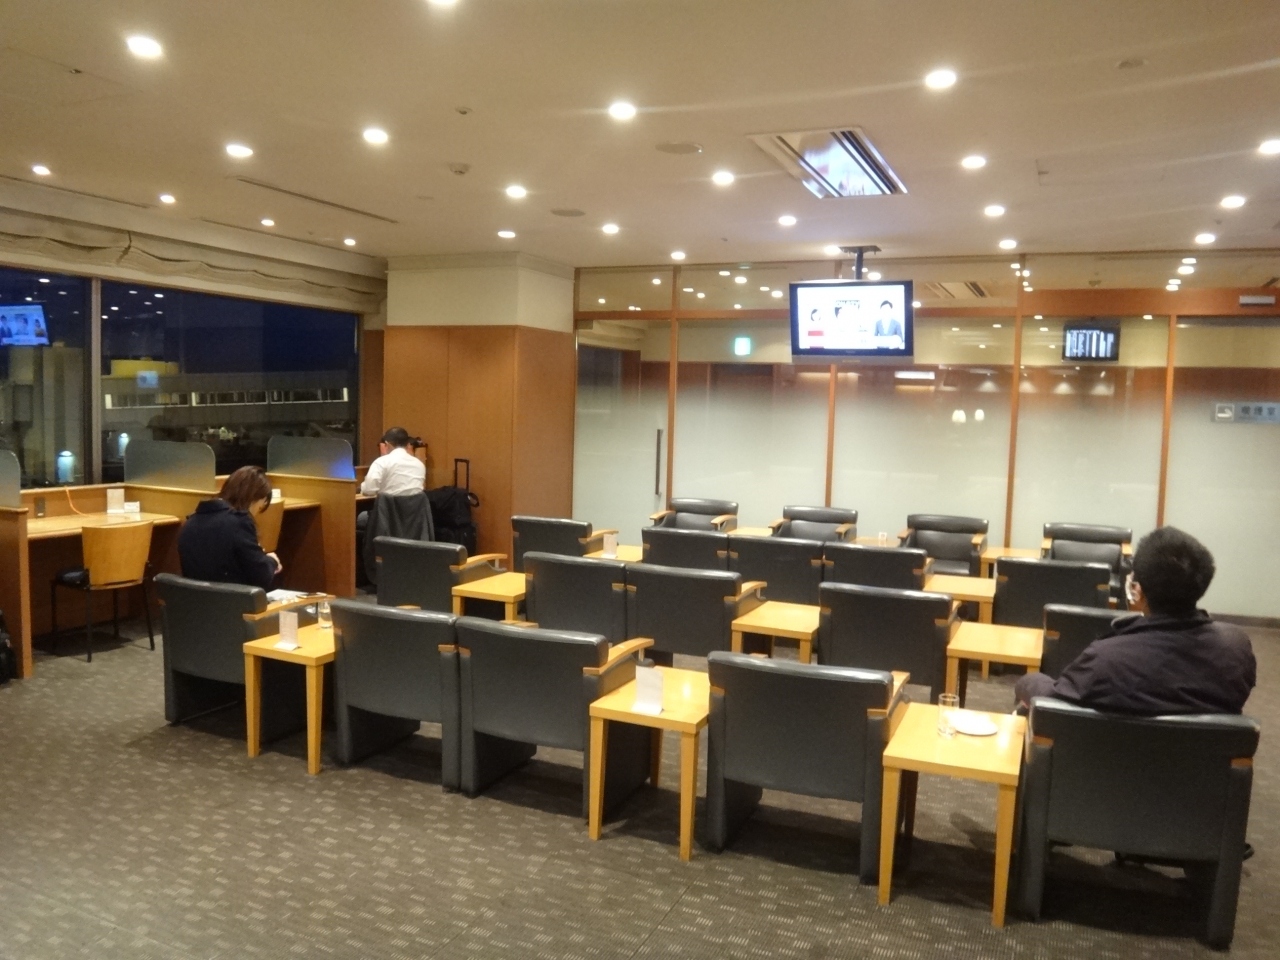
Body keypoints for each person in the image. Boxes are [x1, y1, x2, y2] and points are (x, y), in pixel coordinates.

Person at [1015, 526, 1256, 715]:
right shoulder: (1237, 649)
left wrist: (1027, 682)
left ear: (1137, 591)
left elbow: (1052, 703)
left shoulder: (1106, 659)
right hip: (1202, 763)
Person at [178, 465, 281, 591]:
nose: (256, 513)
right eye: (261, 506)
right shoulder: (239, 522)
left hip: (197, 601)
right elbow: (262, 577)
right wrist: (271, 561)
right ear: (257, 498)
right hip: (234, 600)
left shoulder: (189, 523)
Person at [360, 427, 425, 496]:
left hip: (388, 503)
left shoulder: (381, 462)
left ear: (387, 444)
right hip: (416, 503)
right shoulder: (419, 464)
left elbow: (368, 490)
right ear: (407, 444)